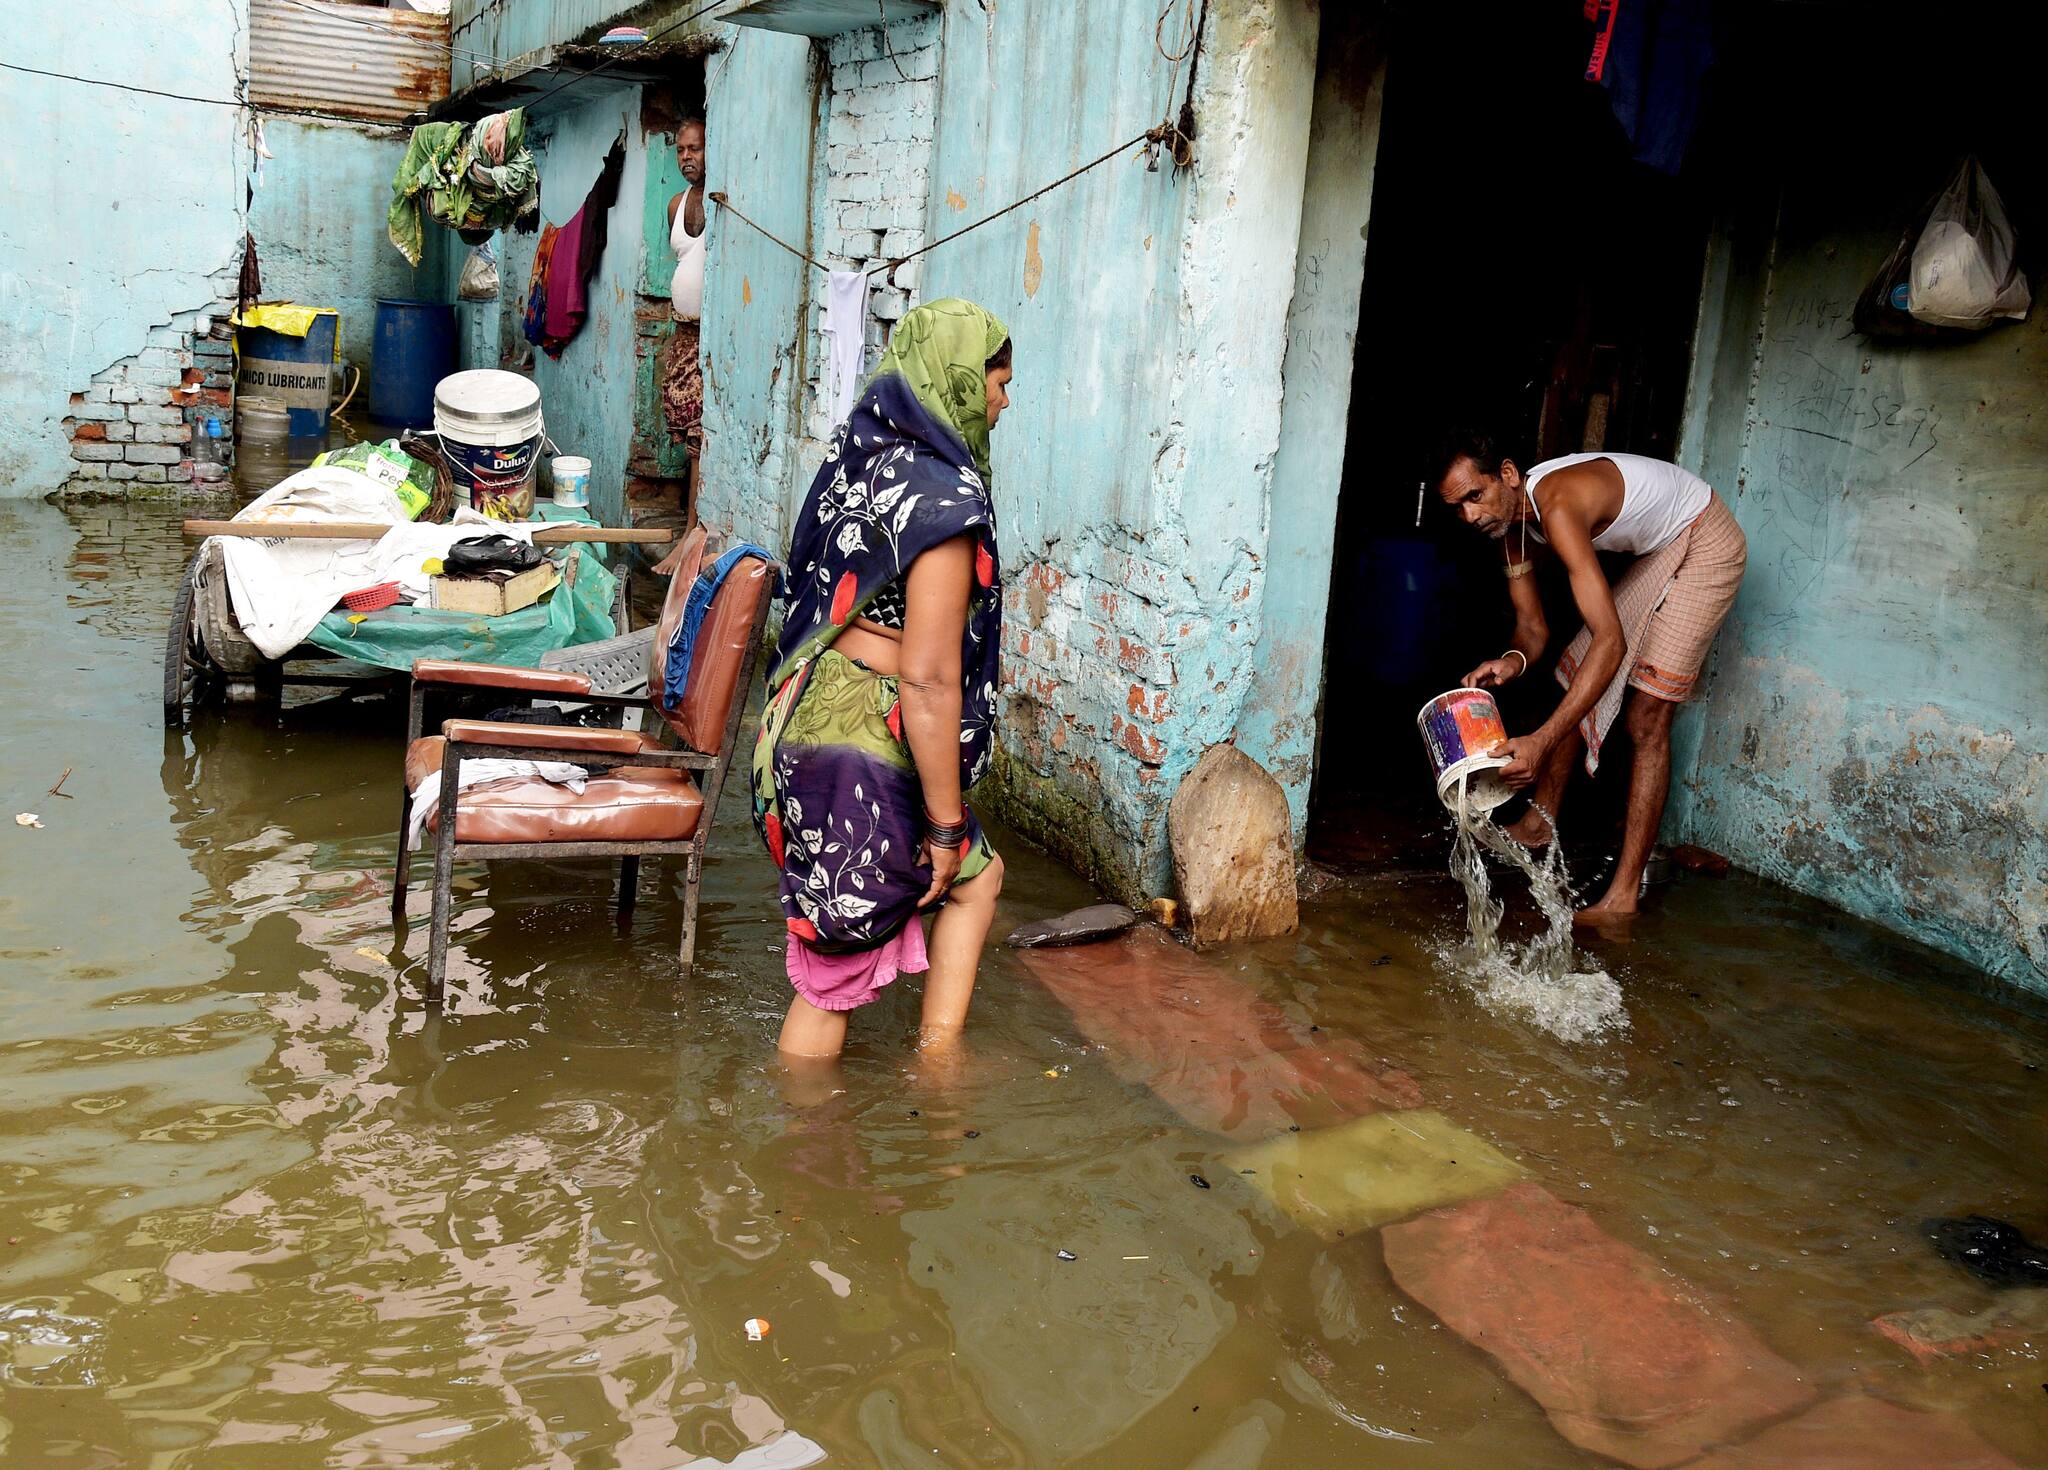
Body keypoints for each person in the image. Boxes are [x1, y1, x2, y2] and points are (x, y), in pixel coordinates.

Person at [752, 299, 1014, 1058]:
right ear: (962, 382)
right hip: (864, 742)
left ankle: (938, 1064)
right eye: (998, 380)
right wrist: (942, 823)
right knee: (834, 978)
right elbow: (929, 680)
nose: (1004, 400)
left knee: (976, 878)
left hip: (809, 714)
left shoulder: (862, 462)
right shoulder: (943, 504)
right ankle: (804, 1153)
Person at [1433, 432, 1747, 920]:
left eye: (1476, 495)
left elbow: (1611, 641)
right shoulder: (1509, 530)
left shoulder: (1556, 507)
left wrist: (1541, 739)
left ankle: (1622, 896)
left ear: (1509, 476)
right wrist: (1512, 660)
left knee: (1647, 715)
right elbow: (1533, 629)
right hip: (1666, 545)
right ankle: (1540, 824)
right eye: (1459, 507)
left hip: (1706, 537)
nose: (1471, 516)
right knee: (1576, 674)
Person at [662, 118, 707, 466]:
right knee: (684, 426)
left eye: (695, 148)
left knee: (699, 435)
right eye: (680, 150)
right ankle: (690, 516)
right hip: (682, 332)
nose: (686, 157)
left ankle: (694, 519)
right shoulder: (676, 205)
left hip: (707, 337)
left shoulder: (718, 199)